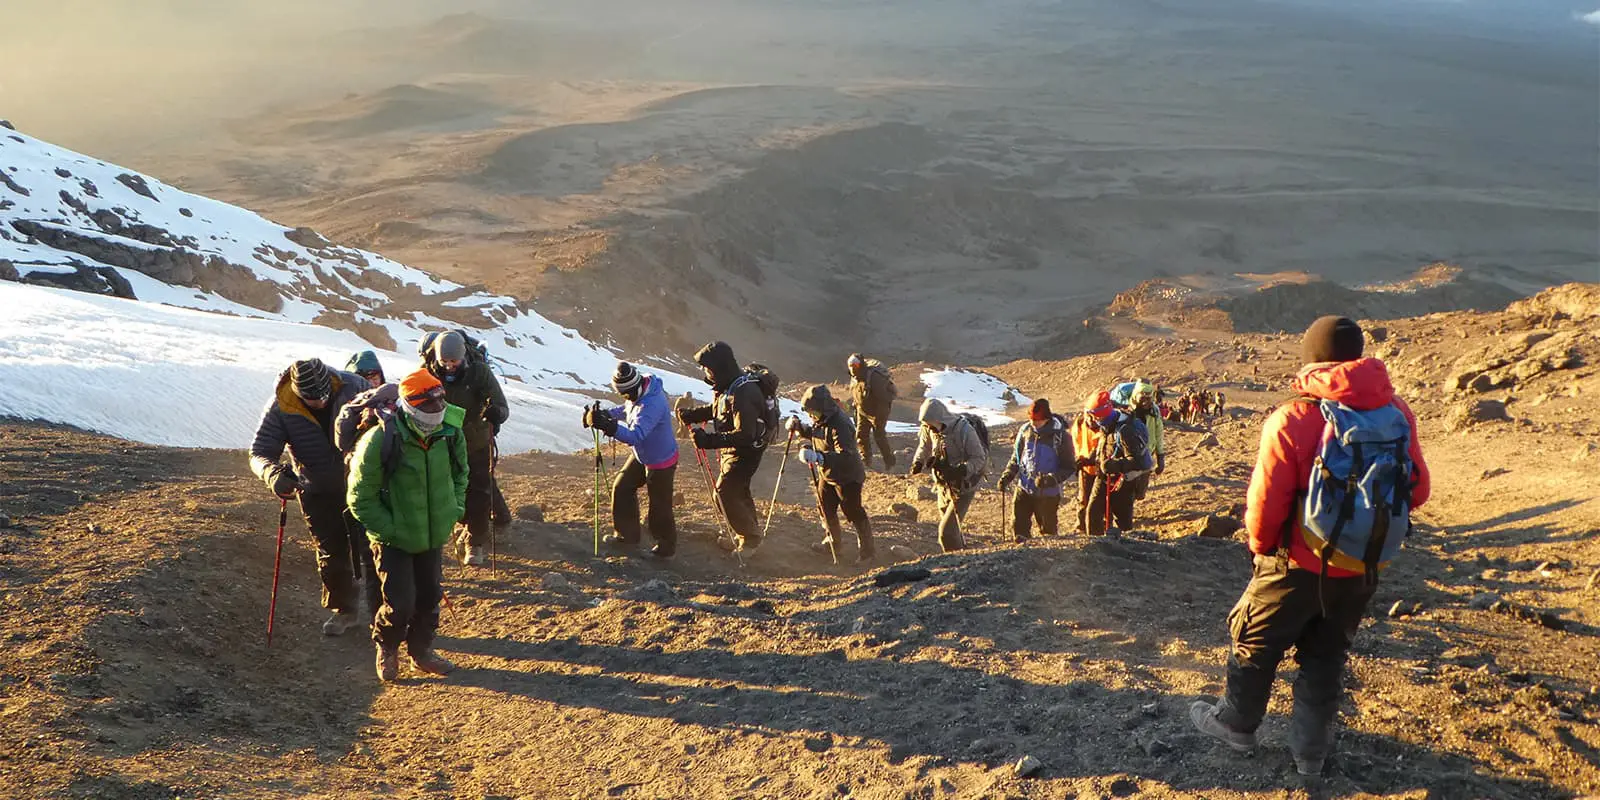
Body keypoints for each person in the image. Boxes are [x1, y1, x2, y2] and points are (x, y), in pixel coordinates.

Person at [1190, 316, 1431, 776]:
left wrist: (1261, 549)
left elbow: (1266, 501)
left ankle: (1237, 725)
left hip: (1296, 563)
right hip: (1361, 566)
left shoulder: (1294, 416)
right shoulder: (1396, 412)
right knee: (1326, 656)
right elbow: (1417, 492)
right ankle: (1310, 754)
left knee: (1254, 641)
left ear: (1311, 359)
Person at [347, 369, 468, 681]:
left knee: (429, 597)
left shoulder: (451, 431)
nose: (437, 412)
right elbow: (360, 496)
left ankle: (421, 652)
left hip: (433, 532)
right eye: (429, 407)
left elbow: (461, 474)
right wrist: (389, 531)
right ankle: (387, 647)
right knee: (399, 604)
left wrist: (453, 509)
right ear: (411, 406)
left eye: (440, 404)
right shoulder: (381, 439)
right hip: (394, 539)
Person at [248, 358, 369, 635]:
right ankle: (345, 609)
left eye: (325, 395)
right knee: (330, 550)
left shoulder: (354, 387)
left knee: (374, 545)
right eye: (312, 398)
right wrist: (273, 475)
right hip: (316, 487)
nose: (321, 402)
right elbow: (259, 452)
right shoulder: (282, 406)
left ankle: (383, 609)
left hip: (363, 482)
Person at [422, 331, 508, 566]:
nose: (449, 367)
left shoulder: (479, 371)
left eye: (454, 362)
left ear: (463, 357)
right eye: (445, 362)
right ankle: (472, 523)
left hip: (476, 440)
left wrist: (495, 413)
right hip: (443, 441)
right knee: (451, 488)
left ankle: (475, 542)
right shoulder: (427, 372)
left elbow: (501, 404)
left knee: (479, 488)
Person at [676, 341, 768, 554]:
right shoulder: (730, 385)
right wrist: (694, 415)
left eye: (709, 369)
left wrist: (709, 441)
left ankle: (750, 540)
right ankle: (748, 535)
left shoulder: (744, 392)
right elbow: (721, 409)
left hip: (745, 452)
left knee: (724, 493)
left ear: (720, 367)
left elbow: (745, 434)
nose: (706, 373)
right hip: (735, 450)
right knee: (739, 490)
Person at [585, 361, 678, 560]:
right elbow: (626, 408)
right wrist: (604, 415)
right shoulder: (638, 389)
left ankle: (666, 548)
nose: (626, 397)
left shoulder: (652, 403)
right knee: (622, 488)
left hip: (661, 460)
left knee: (659, 506)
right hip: (641, 456)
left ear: (635, 386)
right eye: (623, 393)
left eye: (628, 393)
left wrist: (609, 427)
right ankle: (627, 535)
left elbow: (636, 435)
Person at [788, 384, 875, 563]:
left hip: (847, 477)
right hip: (828, 473)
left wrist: (819, 457)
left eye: (814, 412)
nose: (812, 416)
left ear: (823, 408)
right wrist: (801, 428)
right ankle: (833, 543)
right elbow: (817, 433)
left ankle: (867, 552)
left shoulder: (840, 424)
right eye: (809, 413)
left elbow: (846, 455)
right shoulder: (823, 418)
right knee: (825, 507)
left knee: (852, 511)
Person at [909, 398, 988, 551]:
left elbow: (979, 458)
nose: (928, 427)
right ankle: (960, 558)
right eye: (926, 424)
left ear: (939, 418)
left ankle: (955, 565)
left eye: (931, 423)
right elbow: (924, 446)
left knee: (947, 533)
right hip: (942, 485)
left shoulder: (964, 430)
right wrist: (918, 462)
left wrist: (962, 470)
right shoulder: (928, 427)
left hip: (963, 486)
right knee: (953, 530)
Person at [998, 398, 1073, 541]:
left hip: (1048, 494)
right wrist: (1008, 475)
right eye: (1031, 419)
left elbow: (1069, 466)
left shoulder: (1061, 436)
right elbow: (1017, 458)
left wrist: (1052, 479)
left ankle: (1048, 560)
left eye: (1037, 421)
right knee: (1019, 530)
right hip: (1024, 488)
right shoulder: (1025, 431)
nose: (1033, 423)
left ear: (1046, 418)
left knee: (1048, 534)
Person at [1082, 390, 1152, 535]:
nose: (1093, 420)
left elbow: (1137, 461)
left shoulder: (1126, 430)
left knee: (1123, 521)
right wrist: (1089, 459)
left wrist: (1116, 465)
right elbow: (1104, 445)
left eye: (1094, 416)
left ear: (1101, 413)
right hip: (1103, 477)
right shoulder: (1107, 424)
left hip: (1123, 482)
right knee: (1093, 513)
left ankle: (1124, 550)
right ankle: (1095, 548)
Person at [847, 353, 898, 471]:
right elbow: (856, 394)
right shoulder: (854, 378)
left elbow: (883, 398)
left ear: (860, 365)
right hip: (862, 410)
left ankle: (889, 462)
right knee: (861, 435)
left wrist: (879, 417)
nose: (852, 367)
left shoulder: (874, 377)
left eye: (855, 365)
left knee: (879, 436)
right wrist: (856, 408)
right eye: (850, 365)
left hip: (877, 412)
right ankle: (866, 461)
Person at [1070, 403, 1104, 534]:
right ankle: (1082, 527)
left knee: (1101, 500)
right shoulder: (1079, 424)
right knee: (1083, 499)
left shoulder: (1106, 425)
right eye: (1089, 416)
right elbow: (1077, 444)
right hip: (1085, 469)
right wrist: (1079, 460)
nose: (1092, 419)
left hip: (1103, 470)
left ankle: (1102, 526)